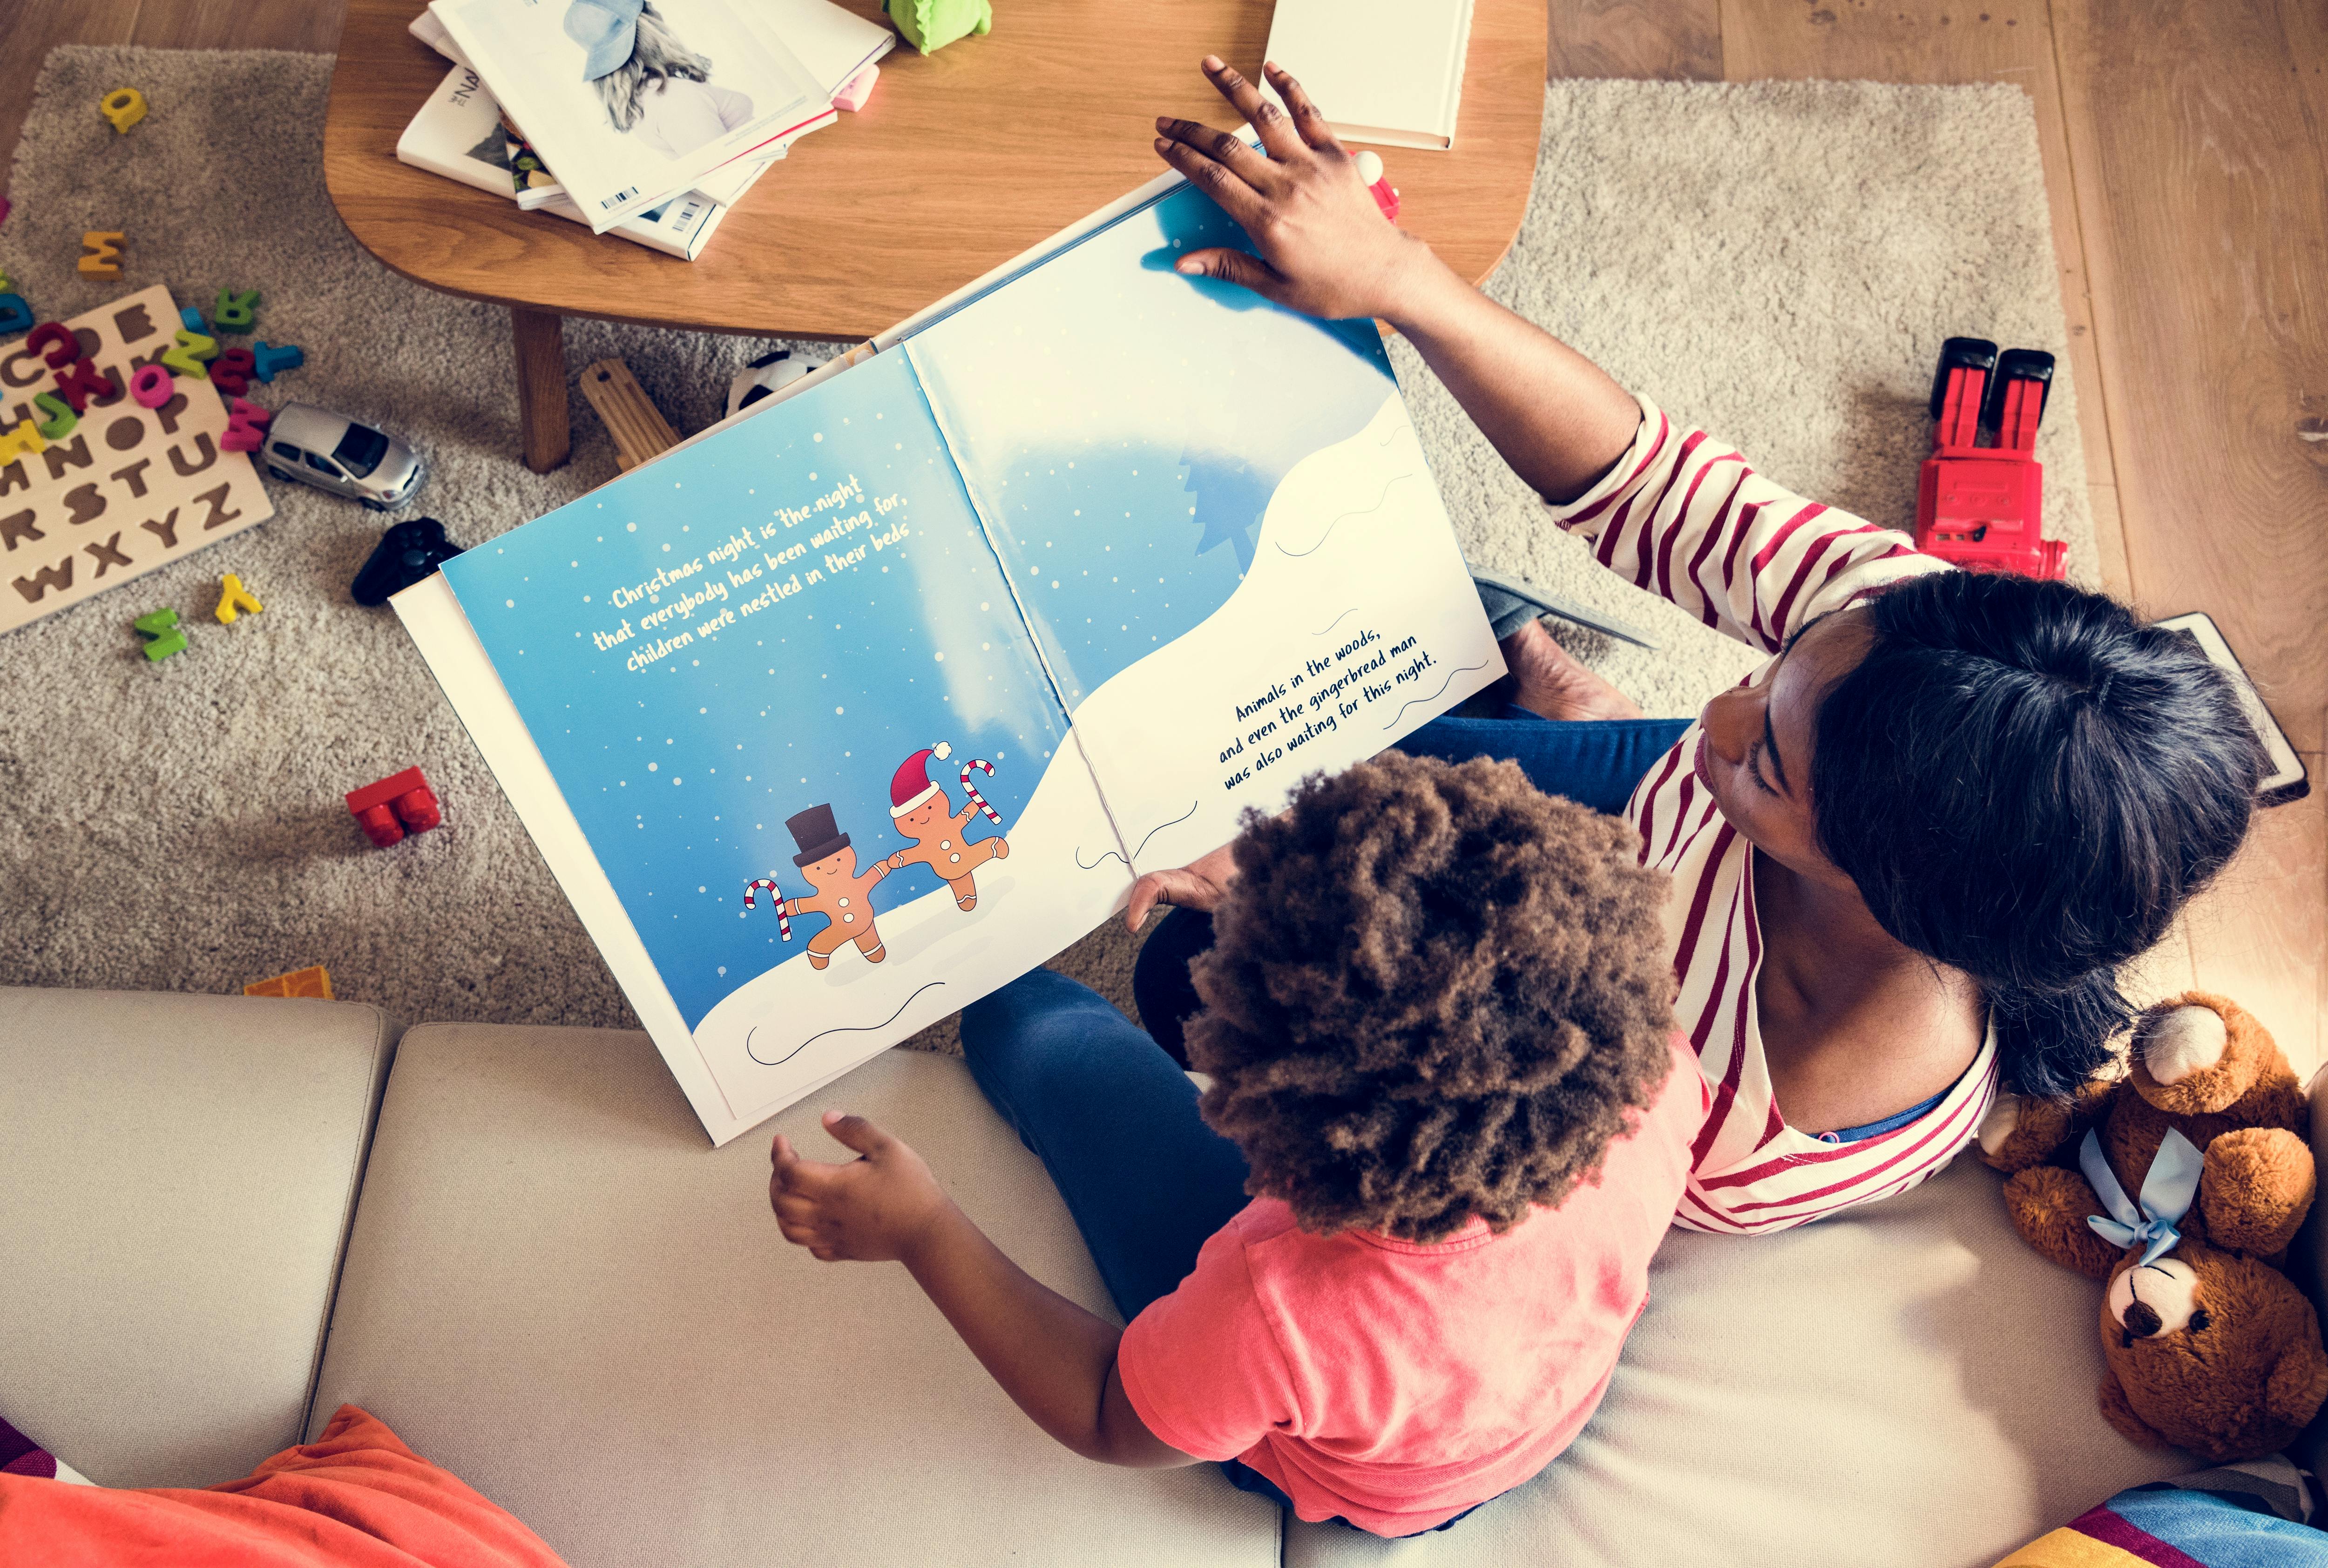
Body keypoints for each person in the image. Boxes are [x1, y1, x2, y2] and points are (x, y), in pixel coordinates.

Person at [1128, 57, 2268, 1235]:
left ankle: (1559, 707)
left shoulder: (1729, 1117)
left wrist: (1298, 902)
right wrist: (1401, 280)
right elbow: (1657, 489)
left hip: (1598, 952)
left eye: (1769, 753)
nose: (1718, 707)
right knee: (1354, 723)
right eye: (1780, 662)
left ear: (1878, 882)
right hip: (1667, 822)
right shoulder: (1914, 643)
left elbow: (1460, 1128)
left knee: (1186, 967)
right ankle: (1581, 710)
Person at [770, 754, 1706, 1537]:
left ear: (1284, 1128)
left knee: (1037, 1035)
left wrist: (924, 1229)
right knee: (1157, 974)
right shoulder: (1661, 1070)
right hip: (1495, 1402)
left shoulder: (1281, 1310)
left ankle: (995, 998)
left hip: (1355, 1462)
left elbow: (1103, 1409)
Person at [565, 0, 753, 160]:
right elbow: (727, 173)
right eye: (650, 7)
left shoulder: (649, 98)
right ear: (648, 24)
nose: (659, 13)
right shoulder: (674, 97)